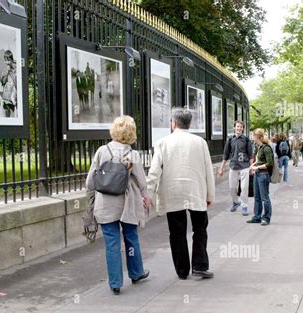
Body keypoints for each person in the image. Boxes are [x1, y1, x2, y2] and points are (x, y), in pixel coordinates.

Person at [145, 108, 215, 280]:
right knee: (200, 230)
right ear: (188, 123)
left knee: (177, 232)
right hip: (196, 192)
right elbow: (208, 171)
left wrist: (149, 193)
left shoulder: (163, 142)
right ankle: (199, 266)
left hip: (172, 193)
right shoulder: (200, 143)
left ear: (174, 123)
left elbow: (154, 171)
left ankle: (182, 270)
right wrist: (210, 195)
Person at [85, 116, 149, 295]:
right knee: (131, 239)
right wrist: (146, 196)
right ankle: (136, 273)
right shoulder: (133, 154)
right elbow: (142, 181)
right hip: (127, 204)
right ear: (131, 133)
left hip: (105, 204)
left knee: (111, 243)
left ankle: (115, 283)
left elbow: (90, 181)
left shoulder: (101, 151)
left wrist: (91, 199)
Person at [218, 120, 253, 216]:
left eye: (241, 127)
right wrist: (221, 168)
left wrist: (251, 168)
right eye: (237, 126)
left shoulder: (246, 140)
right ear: (234, 128)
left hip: (244, 166)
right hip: (233, 166)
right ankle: (235, 202)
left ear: (243, 129)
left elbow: (250, 155)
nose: (239, 128)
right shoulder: (230, 139)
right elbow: (225, 155)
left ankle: (244, 206)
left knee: (244, 187)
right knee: (232, 187)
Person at [247, 128, 273, 226]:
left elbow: (269, 163)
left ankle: (266, 218)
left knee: (264, 198)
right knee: (257, 197)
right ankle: (257, 217)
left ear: (257, 136)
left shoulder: (266, 148)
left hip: (263, 175)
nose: (252, 138)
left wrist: (257, 167)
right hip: (257, 174)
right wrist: (252, 166)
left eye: (253, 136)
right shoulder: (259, 147)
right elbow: (259, 160)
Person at [0, 50, 17, 117]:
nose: (7, 62)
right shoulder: (4, 70)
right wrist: (6, 73)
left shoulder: (14, 70)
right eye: (6, 60)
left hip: (12, 98)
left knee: (13, 116)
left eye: (9, 60)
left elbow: (15, 82)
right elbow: (3, 82)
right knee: (6, 117)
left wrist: (11, 71)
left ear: (12, 60)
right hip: (5, 97)